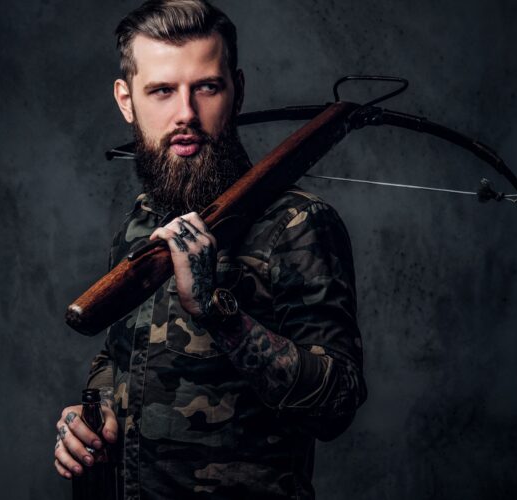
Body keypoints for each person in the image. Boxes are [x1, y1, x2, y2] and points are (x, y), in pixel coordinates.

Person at [54, 1, 367, 498]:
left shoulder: (298, 224)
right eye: (161, 90)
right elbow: (117, 355)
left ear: (236, 91)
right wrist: (94, 412)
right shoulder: (139, 225)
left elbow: (337, 404)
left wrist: (217, 311)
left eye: (207, 87)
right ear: (125, 100)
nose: (186, 114)